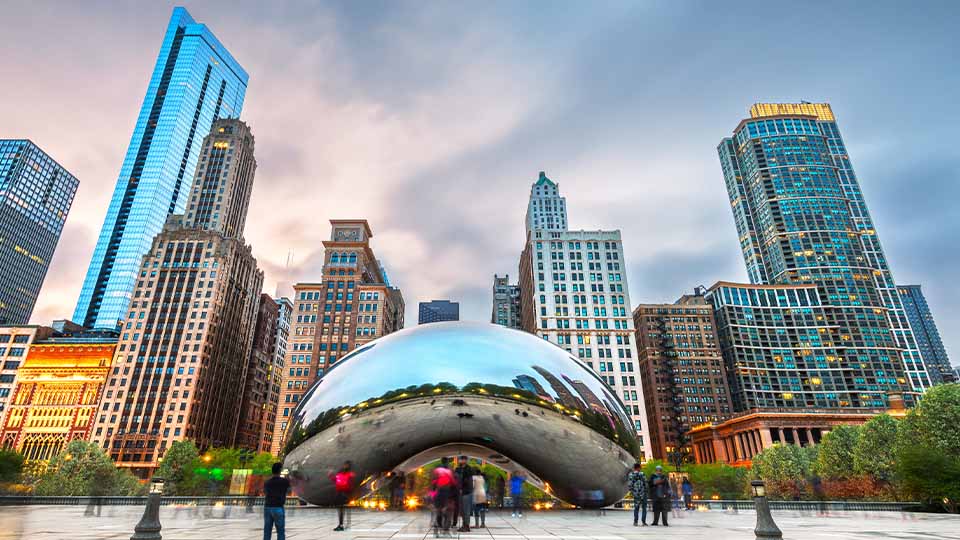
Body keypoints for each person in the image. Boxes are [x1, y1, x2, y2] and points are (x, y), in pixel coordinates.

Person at [263, 463, 290, 540]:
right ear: (280, 470)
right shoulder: (284, 481)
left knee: (267, 530)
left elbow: (265, 492)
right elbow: (288, 490)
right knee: (280, 531)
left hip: (267, 507)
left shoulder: (267, 482)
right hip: (278, 507)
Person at [328, 461, 356, 532]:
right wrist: (330, 475)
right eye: (344, 465)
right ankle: (341, 525)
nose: (344, 466)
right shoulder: (340, 474)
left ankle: (341, 525)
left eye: (346, 465)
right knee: (340, 509)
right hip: (339, 493)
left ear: (348, 466)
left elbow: (350, 484)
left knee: (341, 509)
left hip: (344, 493)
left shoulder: (349, 474)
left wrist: (350, 494)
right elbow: (336, 480)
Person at [431, 457, 456, 534]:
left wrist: (432, 493)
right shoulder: (449, 471)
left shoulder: (437, 470)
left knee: (438, 508)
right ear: (447, 462)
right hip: (447, 492)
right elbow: (453, 483)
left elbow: (433, 482)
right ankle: (446, 527)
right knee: (448, 510)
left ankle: (439, 524)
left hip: (438, 492)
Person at [454, 456, 476, 532]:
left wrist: (462, 488)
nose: (461, 461)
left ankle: (466, 526)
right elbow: (456, 480)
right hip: (459, 492)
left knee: (466, 510)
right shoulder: (457, 469)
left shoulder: (469, 469)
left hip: (466, 492)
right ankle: (464, 525)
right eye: (460, 459)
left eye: (463, 459)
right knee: (462, 511)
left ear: (466, 460)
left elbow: (468, 481)